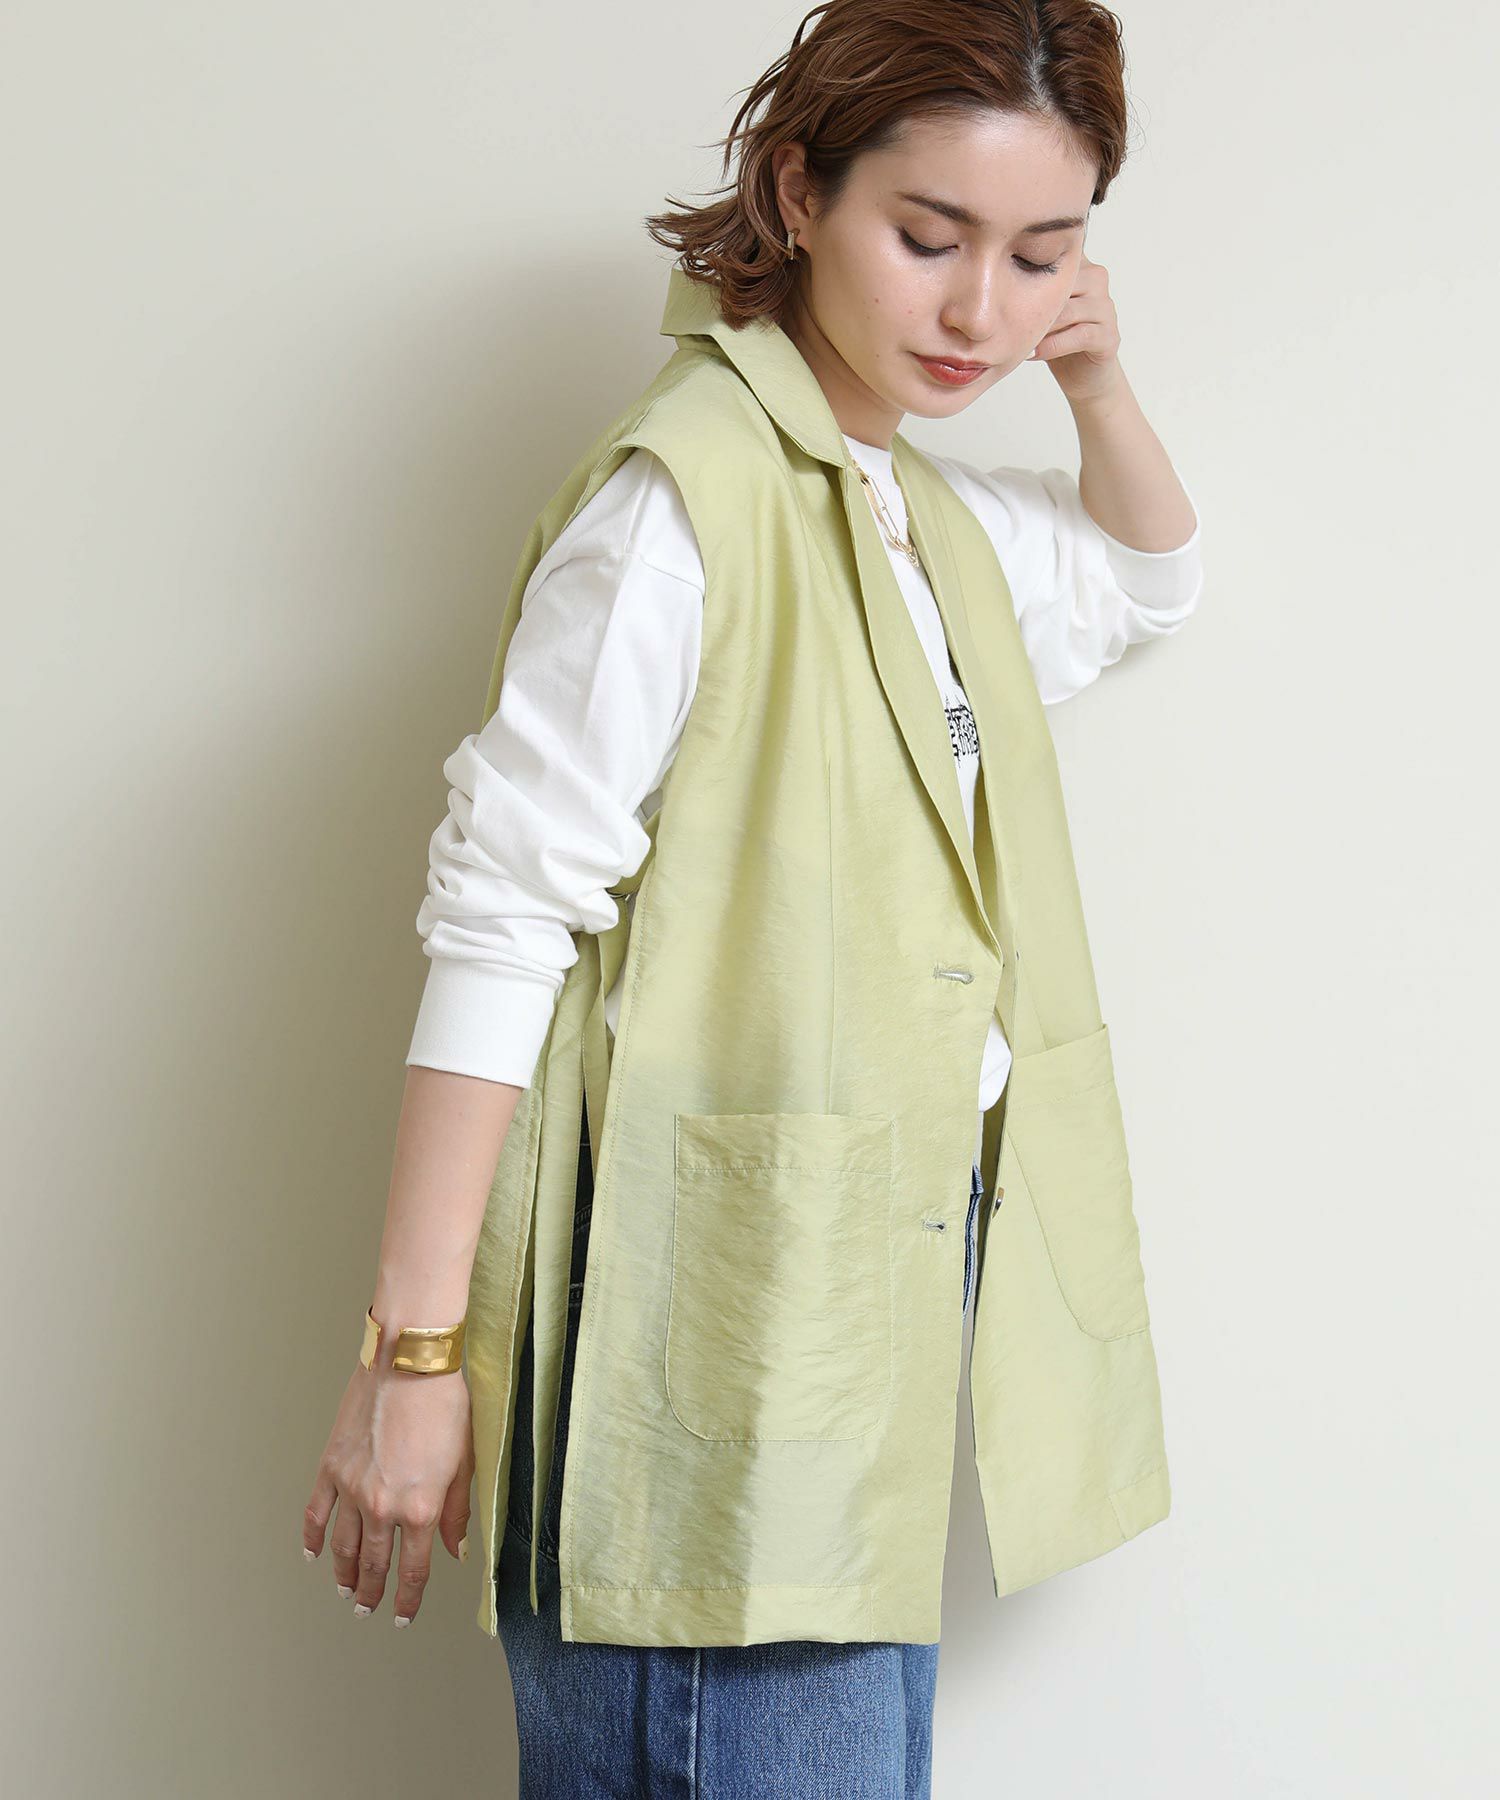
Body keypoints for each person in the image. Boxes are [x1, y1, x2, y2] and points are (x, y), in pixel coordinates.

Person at [302, 1, 1201, 1791]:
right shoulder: (680, 512)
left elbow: (1149, 580)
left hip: (856, 1312)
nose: (980, 313)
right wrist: (414, 1356)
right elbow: (502, 921)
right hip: (712, 1332)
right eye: (930, 237)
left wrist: (1097, 381)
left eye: (1041, 256)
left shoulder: (911, 514)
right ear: (798, 194)